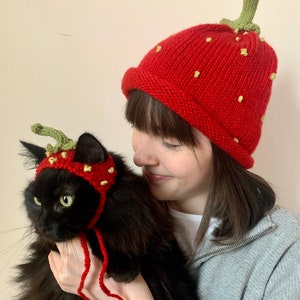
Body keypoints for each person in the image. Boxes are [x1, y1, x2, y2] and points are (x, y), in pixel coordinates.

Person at [48, 0, 300, 299]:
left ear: (224, 150)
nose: (141, 157)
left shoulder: (284, 251)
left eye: (170, 143)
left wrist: (123, 293)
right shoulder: (102, 214)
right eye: (137, 128)